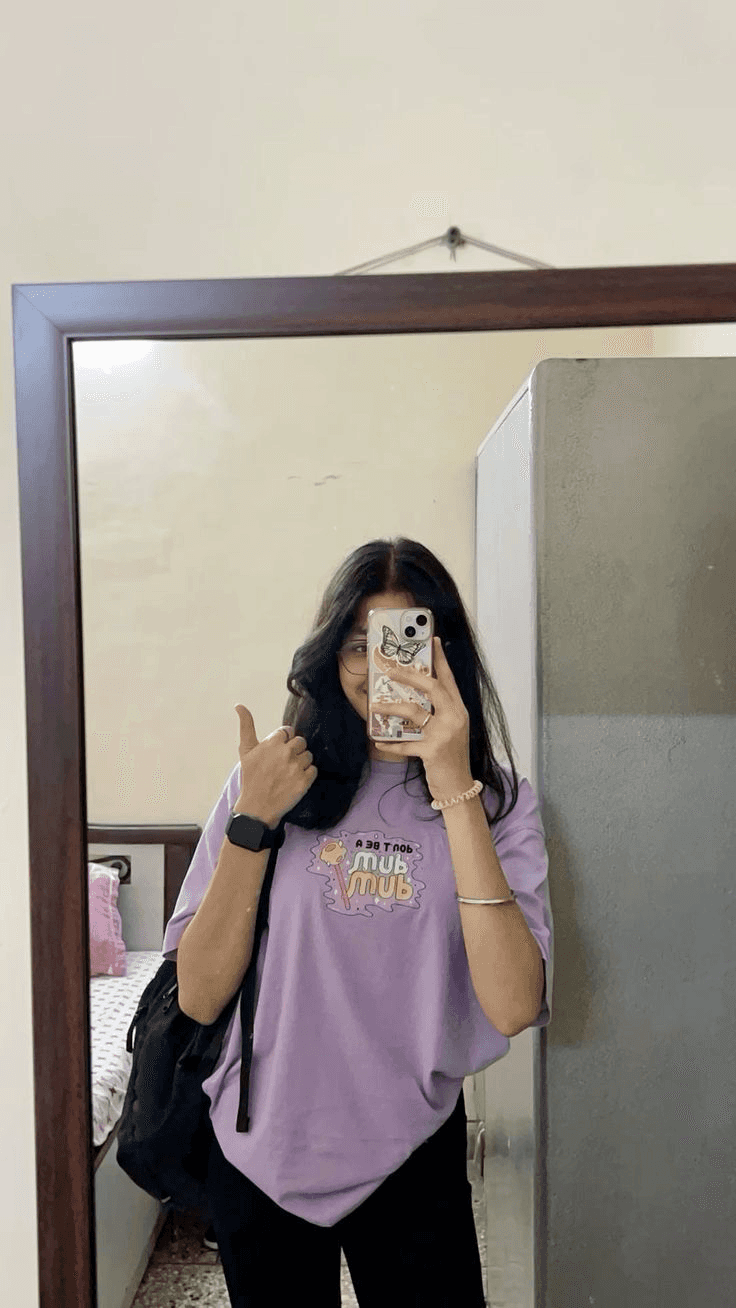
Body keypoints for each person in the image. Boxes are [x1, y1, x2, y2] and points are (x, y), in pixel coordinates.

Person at [162, 537, 553, 1307]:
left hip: (411, 1145)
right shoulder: (273, 780)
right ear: (329, 654)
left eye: (404, 643)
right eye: (356, 645)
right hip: (263, 1143)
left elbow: (514, 1003)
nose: (380, 672)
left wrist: (453, 786)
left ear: (445, 655)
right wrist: (252, 820)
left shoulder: (500, 803)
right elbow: (199, 996)